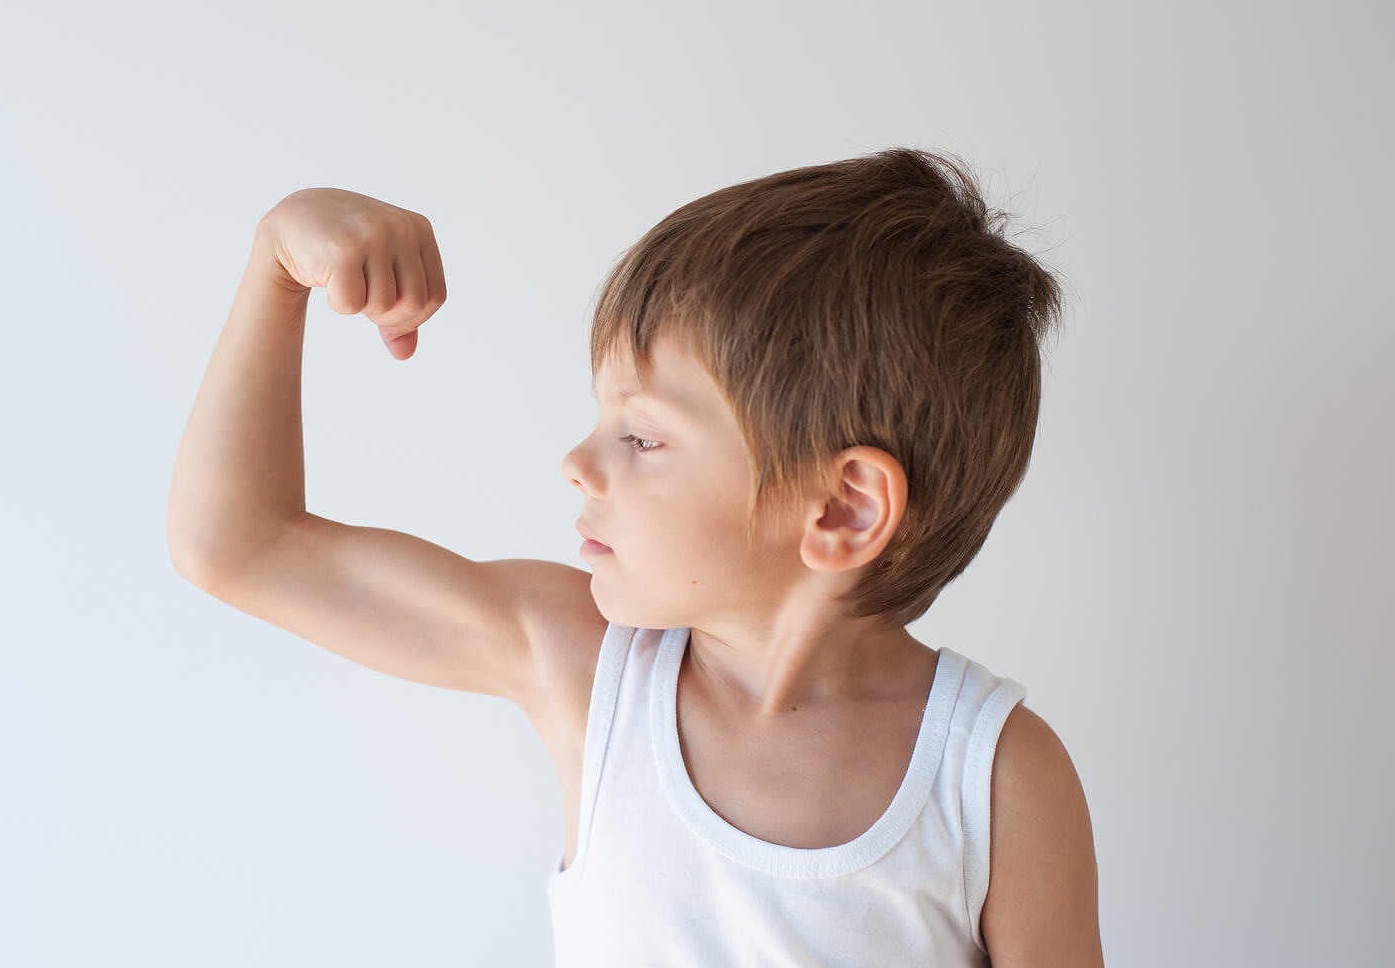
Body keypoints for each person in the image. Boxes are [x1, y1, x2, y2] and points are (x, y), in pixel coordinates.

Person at [167, 147, 1103, 966]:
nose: (577, 464)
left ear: (843, 507)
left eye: (643, 437)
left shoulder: (996, 778)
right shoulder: (585, 669)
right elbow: (238, 544)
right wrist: (276, 269)